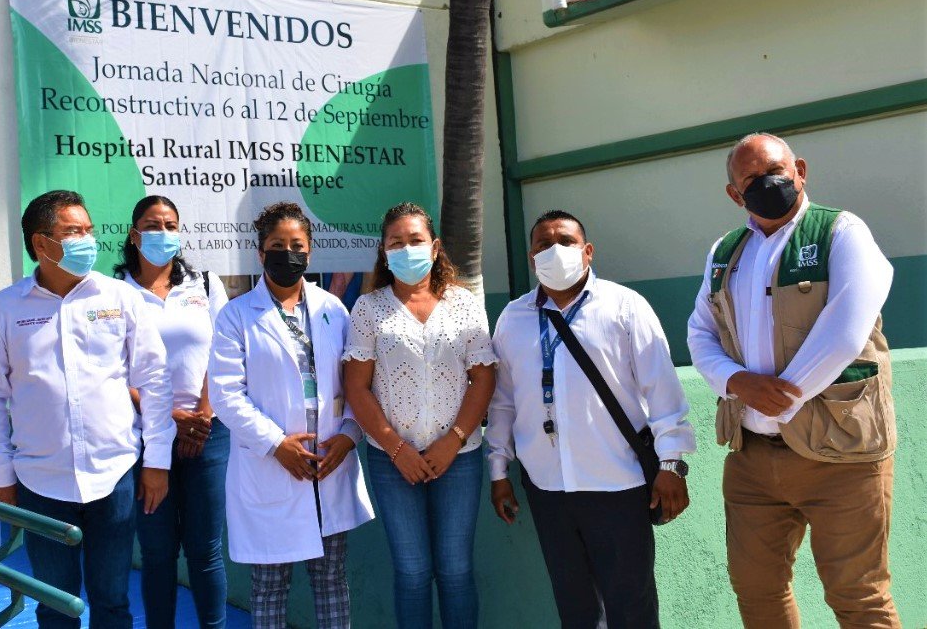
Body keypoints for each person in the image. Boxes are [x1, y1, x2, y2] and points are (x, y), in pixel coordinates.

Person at [688, 133, 898, 628]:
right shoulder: (725, 253)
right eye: (752, 180)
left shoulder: (841, 232)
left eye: (778, 171)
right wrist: (737, 382)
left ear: (800, 170)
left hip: (842, 453)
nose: (769, 184)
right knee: (757, 592)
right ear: (734, 195)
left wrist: (776, 399)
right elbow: (700, 332)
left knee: (858, 597)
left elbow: (845, 331)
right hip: (753, 460)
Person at [0, 190, 173, 629]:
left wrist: (157, 461)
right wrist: (1, 476)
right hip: (41, 482)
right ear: (41, 244)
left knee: (112, 601)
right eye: (73, 232)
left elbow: (155, 381)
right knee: (55, 605)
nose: (87, 240)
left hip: (114, 474)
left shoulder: (120, 297)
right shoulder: (4, 309)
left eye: (88, 230)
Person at [487, 209, 695, 629]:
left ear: (587, 251)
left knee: (631, 608)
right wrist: (498, 470)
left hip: (617, 485)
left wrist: (671, 464)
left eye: (565, 241)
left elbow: (663, 393)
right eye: (544, 244)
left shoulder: (625, 307)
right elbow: (504, 402)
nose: (555, 250)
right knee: (575, 609)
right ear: (532, 258)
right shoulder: (513, 318)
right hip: (548, 489)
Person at [208, 202, 373, 629]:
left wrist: (350, 434)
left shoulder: (333, 309)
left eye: (296, 245)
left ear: (311, 251)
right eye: (276, 246)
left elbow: (356, 382)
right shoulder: (236, 315)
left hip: (330, 462)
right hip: (271, 467)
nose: (288, 254)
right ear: (260, 254)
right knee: (269, 585)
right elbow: (226, 394)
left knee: (331, 580)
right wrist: (275, 444)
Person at [342, 202, 496, 629]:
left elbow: (482, 379)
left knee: (455, 570)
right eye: (397, 242)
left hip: (459, 459)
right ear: (384, 251)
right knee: (412, 572)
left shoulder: (464, 305)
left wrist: (454, 440)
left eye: (416, 240)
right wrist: (396, 448)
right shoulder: (369, 309)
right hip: (393, 461)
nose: (407, 248)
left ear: (435, 247)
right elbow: (356, 388)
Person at [115, 195, 230, 629]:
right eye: (152, 224)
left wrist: (202, 411)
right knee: (158, 551)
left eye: (170, 224)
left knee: (205, 548)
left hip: (209, 432)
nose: (163, 232)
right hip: (145, 437)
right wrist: (166, 417)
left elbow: (224, 351)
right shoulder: (116, 291)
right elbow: (113, 367)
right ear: (133, 233)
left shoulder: (203, 284)